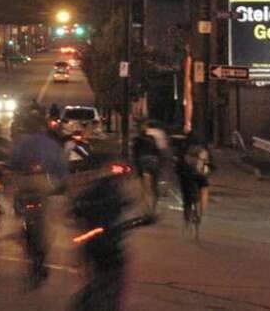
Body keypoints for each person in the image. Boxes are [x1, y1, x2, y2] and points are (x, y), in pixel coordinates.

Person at [9, 112, 66, 286]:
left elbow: (13, 161)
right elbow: (61, 166)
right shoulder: (51, 144)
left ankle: (20, 217)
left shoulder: (21, 142)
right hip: (44, 183)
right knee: (44, 219)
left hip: (25, 182)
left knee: (19, 201)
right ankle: (41, 250)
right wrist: (61, 183)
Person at [69, 161, 131, 311]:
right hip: (108, 244)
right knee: (113, 278)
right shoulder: (113, 192)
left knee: (96, 277)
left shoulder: (92, 190)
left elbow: (74, 211)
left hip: (93, 243)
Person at [176, 134, 213, 222]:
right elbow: (210, 164)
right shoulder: (204, 151)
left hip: (188, 175)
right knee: (204, 189)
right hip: (201, 175)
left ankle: (187, 214)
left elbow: (179, 165)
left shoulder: (185, 150)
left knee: (186, 193)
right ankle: (201, 213)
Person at [131, 122, 162, 220]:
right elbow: (157, 151)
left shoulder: (137, 140)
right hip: (154, 162)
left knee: (145, 189)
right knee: (154, 187)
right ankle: (154, 209)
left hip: (143, 163)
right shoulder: (152, 139)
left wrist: (135, 168)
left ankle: (147, 210)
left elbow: (134, 155)